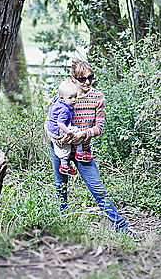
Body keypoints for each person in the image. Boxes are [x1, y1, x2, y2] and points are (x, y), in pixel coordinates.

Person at [49, 59, 140, 236]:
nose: (87, 82)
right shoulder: (63, 95)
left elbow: (99, 128)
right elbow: (50, 121)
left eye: (90, 77)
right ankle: (59, 226)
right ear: (73, 79)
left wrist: (82, 134)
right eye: (82, 79)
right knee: (61, 187)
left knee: (98, 189)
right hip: (60, 150)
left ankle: (122, 227)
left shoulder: (97, 98)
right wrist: (53, 137)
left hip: (83, 152)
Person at [46, 80, 93, 176]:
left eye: (75, 96)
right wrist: (69, 133)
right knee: (76, 132)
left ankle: (65, 165)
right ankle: (79, 153)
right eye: (70, 98)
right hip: (57, 129)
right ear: (62, 99)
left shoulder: (57, 100)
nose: (74, 100)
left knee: (63, 146)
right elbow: (60, 124)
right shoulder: (64, 110)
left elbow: (52, 100)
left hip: (51, 128)